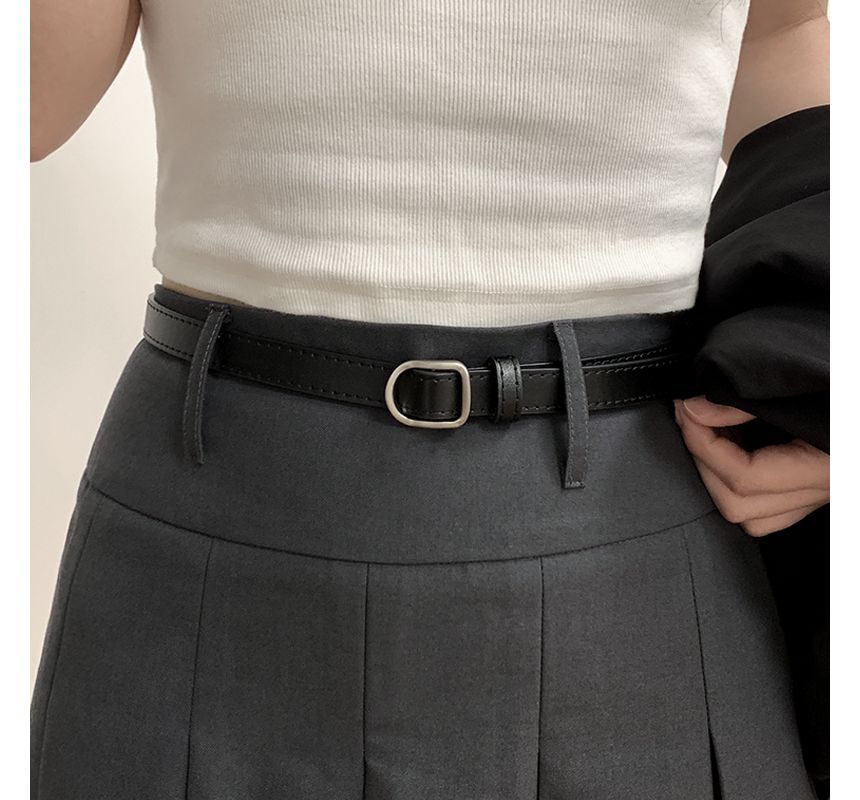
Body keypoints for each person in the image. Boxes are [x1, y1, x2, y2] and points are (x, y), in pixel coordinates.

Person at [31, 1, 830, 798]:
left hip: (633, 521)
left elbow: (779, 37)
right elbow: (33, 106)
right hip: (210, 514)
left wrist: (824, 359)